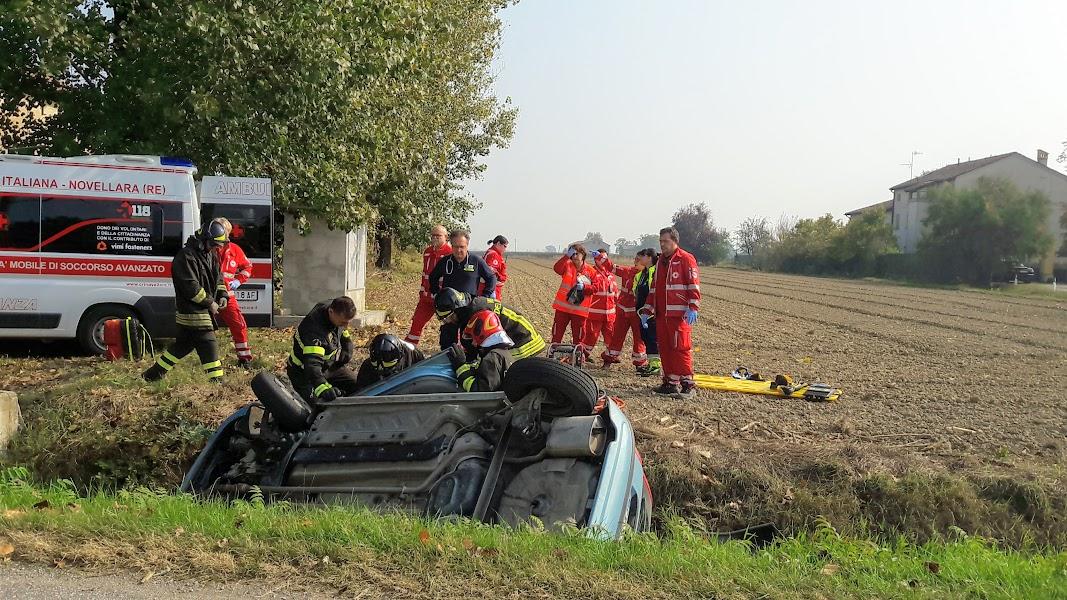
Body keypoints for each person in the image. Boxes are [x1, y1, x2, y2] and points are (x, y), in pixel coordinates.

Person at [143, 221, 229, 383]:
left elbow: (218, 278)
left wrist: (223, 294)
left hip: (202, 310)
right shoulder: (185, 257)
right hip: (192, 312)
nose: (215, 248)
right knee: (208, 342)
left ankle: (151, 375)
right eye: (213, 244)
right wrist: (210, 302)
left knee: (181, 347)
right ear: (203, 239)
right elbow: (190, 286)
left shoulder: (210, 255)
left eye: (218, 245)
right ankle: (218, 383)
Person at [639, 227, 701, 397]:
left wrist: (693, 306)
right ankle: (670, 382)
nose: (662, 244)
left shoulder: (686, 259)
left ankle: (688, 385)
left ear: (675, 241)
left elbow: (693, 285)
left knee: (681, 348)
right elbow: (655, 289)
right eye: (660, 241)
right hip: (661, 315)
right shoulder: (660, 262)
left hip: (679, 315)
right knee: (665, 349)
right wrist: (647, 310)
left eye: (665, 241)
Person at [433, 287, 546, 361]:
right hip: (519, 337)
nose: (449, 322)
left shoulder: (476, 313)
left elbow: (474, 348)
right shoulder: (471, 306)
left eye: (448, 317)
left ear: (456, 309)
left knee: (498, 367)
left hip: (525, 341)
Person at [428, 230, 497, 349]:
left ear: (467, 245)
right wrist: (436, 294)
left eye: (462, 247)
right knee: (447, 342)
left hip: (470, 308)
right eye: (455, 247)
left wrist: (485, 297)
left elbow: (491, 278)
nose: (458, 250)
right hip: (451, 312)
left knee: (470, 343)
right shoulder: (445, 261)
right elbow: (433, 277)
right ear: (451, 245)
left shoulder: (476, 261)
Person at [286, 296, 360, 403]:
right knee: (321, 408)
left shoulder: (334, 308)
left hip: (329, 367)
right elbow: (312, 366)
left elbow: (341, 328)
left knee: (357, 386)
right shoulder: (314, 332)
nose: (346, 325)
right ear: (331, 311)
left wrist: (346, 342)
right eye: (343, 322)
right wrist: (322, 387)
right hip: (305, 374)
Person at [600, 249, 655, 373]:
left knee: (639, 338)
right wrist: (601, 257)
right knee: (617, 336)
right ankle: (608, 359)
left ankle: (639, 363)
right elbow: (611, 267)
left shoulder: (650, 275)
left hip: (638, 312)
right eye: (635, 259)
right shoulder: (628, 271)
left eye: (638, 259)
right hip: (623, 310)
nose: (635, 261)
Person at [211, 217, 255, 369]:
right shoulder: (209, 247)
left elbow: (248, 267)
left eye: (225, 231)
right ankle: (208, 358)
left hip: (227, 296)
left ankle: (244, 359)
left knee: (239, 325)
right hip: (209, 296)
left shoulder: (235, 250)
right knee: (203, 328)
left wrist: (239, 280)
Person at [404, 225, 452, 346]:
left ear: (446, 237)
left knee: (450, 325)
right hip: (426, 297)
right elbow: (425, 274)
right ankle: (409, 349)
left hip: (443, 298)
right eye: (433, 235)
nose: (435, 238)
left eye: (438, 236)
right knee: (417, 323)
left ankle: (454, 351)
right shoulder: (427, 252)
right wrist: (422, 292)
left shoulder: (450, 253)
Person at [449, 309, 514, 392]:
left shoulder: (492, 358)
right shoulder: (502, 354)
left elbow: (479, 392)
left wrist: (460, 366)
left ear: (482, 335)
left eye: (474, 338)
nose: (473, 343)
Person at [550, 243, 600, 349]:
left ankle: (577, 357)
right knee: (556, 335)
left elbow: (596, 288)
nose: (574, 256)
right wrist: (566, 256)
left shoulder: (591, 271)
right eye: (572, 253)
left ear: (583, 255)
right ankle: (553, 354)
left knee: (579, 337)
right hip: (563, 308)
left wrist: (584, 288)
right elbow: (557, 269)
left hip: (579, 310)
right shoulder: (567, 265)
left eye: (577, 253)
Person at [354, 333, 425, 390]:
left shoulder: (415, 356)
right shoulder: (367, 366)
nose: (381, 368)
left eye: (388, 366)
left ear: (400, 356)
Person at [582, 248, 618, 358]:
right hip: (594, 313)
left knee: (611, 337)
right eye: (599, 258)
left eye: (604, 258)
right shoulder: (590, 273)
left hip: (610, 315)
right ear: (595, 259)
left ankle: (610, 358)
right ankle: (583, 356)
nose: (601, 261)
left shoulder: (611, 275)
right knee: (591, 336)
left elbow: (615, 293)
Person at [634, 250, 661, 378]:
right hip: (642, 312)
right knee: (646, 338)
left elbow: (655, 292)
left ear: (649, 257)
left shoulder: (654, 271)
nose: (639, 259)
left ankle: (655, 366)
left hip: (651, 313)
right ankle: (651, 364)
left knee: (652, 339)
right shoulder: (643, 273)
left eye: (642, 257)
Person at [479, 235, 508, 299]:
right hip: (492, 289)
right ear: (498, 243)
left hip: (491, 288)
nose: (505, 249)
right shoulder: (493, 254)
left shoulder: (490, 252)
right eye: (504, 246)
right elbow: (490, 272)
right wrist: (500, 276)